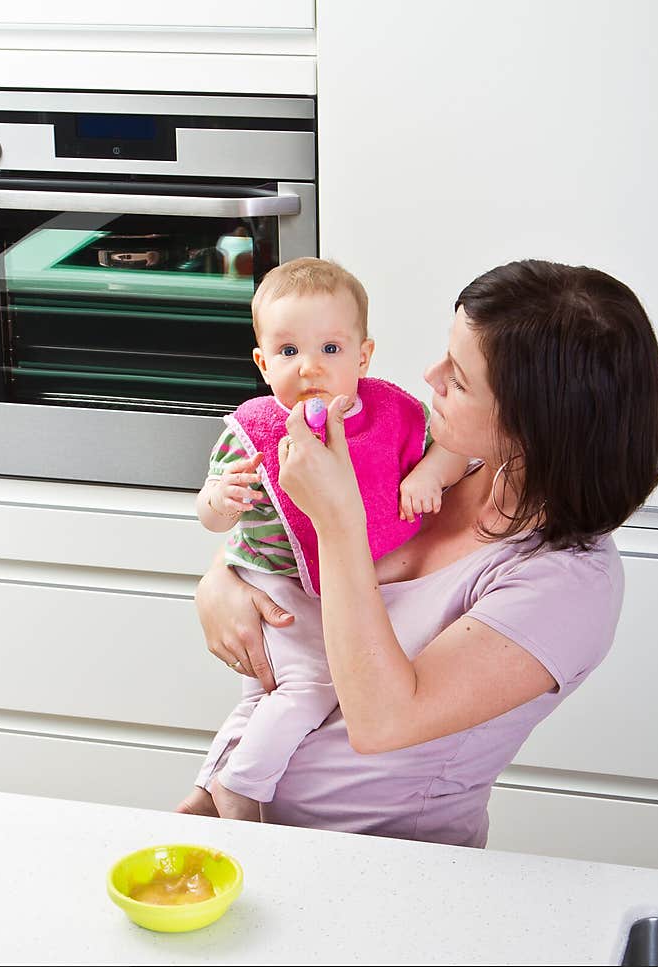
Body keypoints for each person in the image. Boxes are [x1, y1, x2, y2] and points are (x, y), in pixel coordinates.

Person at [189, 259, 658, 846]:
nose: (430, 375)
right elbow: (288, 546)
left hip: (390, 866)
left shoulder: (567, 583)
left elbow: (382, 719)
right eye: (447, 353)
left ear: (535, 423)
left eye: (460, 379)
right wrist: (220, 581)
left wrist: (335, 519)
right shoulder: (438, 466)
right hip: (256, 831)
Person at [180, 258, 469, 821]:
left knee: (264, 694)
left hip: (322, 583)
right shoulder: (256, 427)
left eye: (330, 350)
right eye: (289, 353)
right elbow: (210, 515)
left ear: (363, 356)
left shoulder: (393, 413)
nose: (310, 367)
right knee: (309, 685)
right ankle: (242, 786)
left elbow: (453, 447)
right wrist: (221, 502)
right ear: (263, 364)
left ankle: (209, 788)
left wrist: (428, 474)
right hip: (277, 578)